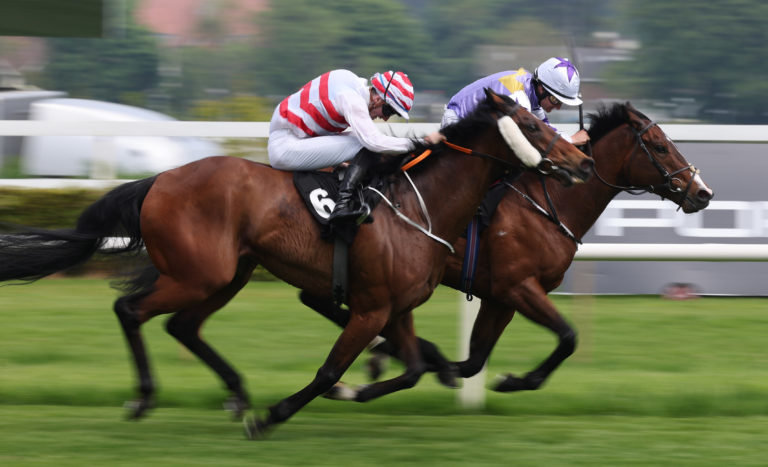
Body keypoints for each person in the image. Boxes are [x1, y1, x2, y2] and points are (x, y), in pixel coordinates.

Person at [268, 69, 444, 224]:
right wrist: (422, 143)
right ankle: (341, 207)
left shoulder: (351, 82)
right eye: (389, 111)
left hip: (291, 136)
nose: (385, 118)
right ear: (377, 99)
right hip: (285, 146)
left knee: (358, 139)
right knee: (365, 145)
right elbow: (373, 142)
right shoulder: (352, 99)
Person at [442, 57, 590, 145]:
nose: (558, 107)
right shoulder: (519, 96)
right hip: (457, 123)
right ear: (541, 89)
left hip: (476, 126)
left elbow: (546, 128)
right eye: (555, 100)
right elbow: (535, 136)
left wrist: (570, 140)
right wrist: (571, 140)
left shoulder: (530, 89)